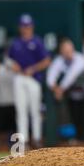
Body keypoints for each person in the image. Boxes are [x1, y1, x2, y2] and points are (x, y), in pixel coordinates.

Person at [7, 14, 50, 149]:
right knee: (21, 110)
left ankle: (37, 138)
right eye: (23, 26)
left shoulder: (37, 41)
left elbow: (47, 60)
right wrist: (11, 64)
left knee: (35, 110)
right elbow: (8, 59)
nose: (26, 28)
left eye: (28, 26)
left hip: (33, 79)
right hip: (19, 78)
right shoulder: (16, 42)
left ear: (32, 26)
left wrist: (33, 68)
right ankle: (22, 141)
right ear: (20, 27)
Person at [46, 38, 84, 142]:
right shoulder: (59, 60)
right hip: (71, 95)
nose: (67, 52)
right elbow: (51, 76)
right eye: (65, 50)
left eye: (69, 49)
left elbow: (71, 75)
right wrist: (56, 89)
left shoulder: (80, 58)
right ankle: (70, 139)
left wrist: (60, 89)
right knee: (69, 117)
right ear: (61, 51)